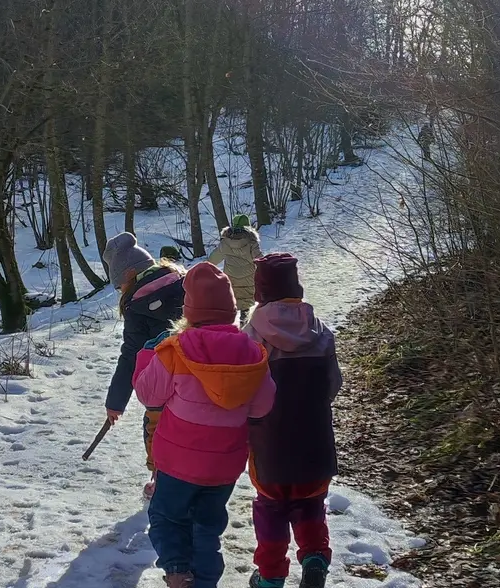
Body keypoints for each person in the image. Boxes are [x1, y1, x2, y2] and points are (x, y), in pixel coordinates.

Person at [132, 262, 276, 588]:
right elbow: (264, 405)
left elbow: (148, 395)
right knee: (208, 527)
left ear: (189, 311)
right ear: (231, 312)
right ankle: (205, 581)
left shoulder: (174, 351)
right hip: (224, 465)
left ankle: (178, 571)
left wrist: (146, 360)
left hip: (177, 463)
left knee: (166, 516)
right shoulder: (254, 354)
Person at [242, 253, 342, 588]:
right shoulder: (321, 330)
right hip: (315, 436)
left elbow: (245, 390)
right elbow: (333, 385)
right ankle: (315, 557)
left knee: (270, 507)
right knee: (310, 501)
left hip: (268, 439)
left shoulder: (252, 334)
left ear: (261, 290)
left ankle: (270, 575)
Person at [101, 232, 185, 499]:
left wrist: (115, 401)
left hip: (161, 382)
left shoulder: (138, 306)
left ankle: (161, 478)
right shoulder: (184, 283)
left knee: (156, 429)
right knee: (193, 425)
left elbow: (130, 356)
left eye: (118, 286)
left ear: (128, 276)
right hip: (199, 374)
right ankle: (195, 477)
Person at [207, 214, 262, 322]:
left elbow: (214, 259)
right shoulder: (252, 242)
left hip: (231, 279)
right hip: (248, 279)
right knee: (245, 306)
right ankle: (244, 325)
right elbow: (259, 259)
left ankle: (228, 325)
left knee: (231, 301)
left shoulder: (226, 241)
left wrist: (206, 267)